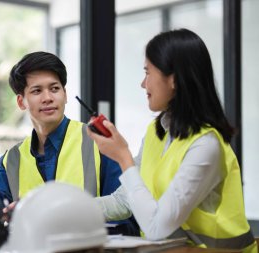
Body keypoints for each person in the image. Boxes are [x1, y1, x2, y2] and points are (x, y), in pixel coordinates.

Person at [90, 29, 257, 252]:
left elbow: (157, 228)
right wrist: (73, 208)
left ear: (174, 80)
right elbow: (124, 201)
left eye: (148, 72)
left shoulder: (206, 145)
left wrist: (123, 157)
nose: (143, 84)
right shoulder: (155, 132)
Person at [0, 51, 139, 236]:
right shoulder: (11, 160)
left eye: (54, 89)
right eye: (37, 91)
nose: (48, 98)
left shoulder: (100, 143)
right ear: (21, 102)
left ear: (65, 94)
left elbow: (127, 220)